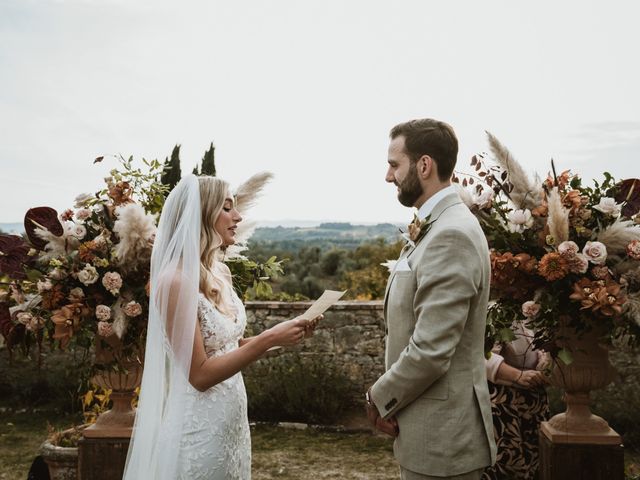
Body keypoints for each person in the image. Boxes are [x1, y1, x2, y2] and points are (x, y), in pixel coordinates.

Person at [123, 174, 316, 480]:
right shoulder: (174, 281)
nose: (237, 216)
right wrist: (266, 339)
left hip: (232, 425)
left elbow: (226, 347)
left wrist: (283, 335)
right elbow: (199, 374)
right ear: (201, 216)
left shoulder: (220, 272)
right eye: (227, 208)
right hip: (198, 432)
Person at [366, 118, 497, 479]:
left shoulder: (450, 233)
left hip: (443, 439)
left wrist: (378, 397)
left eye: (395, 164)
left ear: (424, 165)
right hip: (429, 431)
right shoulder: (439, 225)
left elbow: (430, 351)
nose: (388, 176)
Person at [482, 319, 549, 480]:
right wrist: (519, 376)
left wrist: (544, 363)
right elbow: (482, 357)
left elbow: (542, 349)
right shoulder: (494, 313)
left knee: (535, 465)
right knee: (507, 466)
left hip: (533, 403)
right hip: (504, 404)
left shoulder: (531, 314)